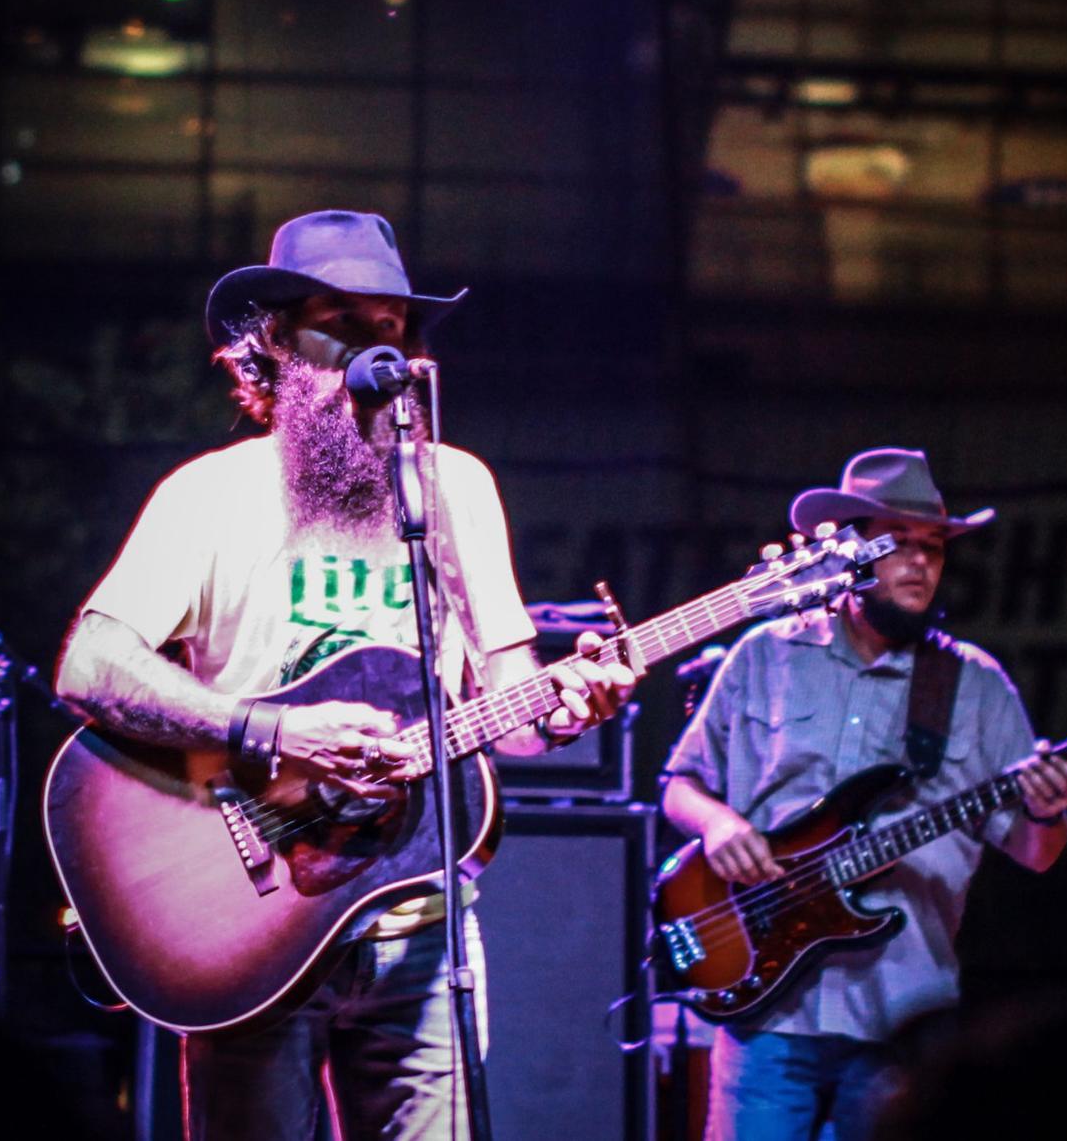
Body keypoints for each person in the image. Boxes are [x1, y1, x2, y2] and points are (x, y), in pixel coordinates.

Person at [54, 209, 637, 1140]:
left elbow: (513, 712)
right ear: (276, 344)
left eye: (392, 325)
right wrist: (274, 730)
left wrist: (570, 704)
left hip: (421, 920)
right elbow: (91, 666)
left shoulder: (458, 487)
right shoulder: (209, 494)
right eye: (342, 321)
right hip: (250, 912)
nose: (376, 349)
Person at [660, 447, 1067, 1141]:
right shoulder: (763, 653)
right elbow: (680, 785)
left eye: (934, 547)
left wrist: (1048, 807)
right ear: (848, 550)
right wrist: (717, 825)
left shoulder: (974, 684)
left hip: (901, 1020)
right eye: (898, 544)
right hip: (767, 1009)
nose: (920, 563)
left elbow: (1037, 853)